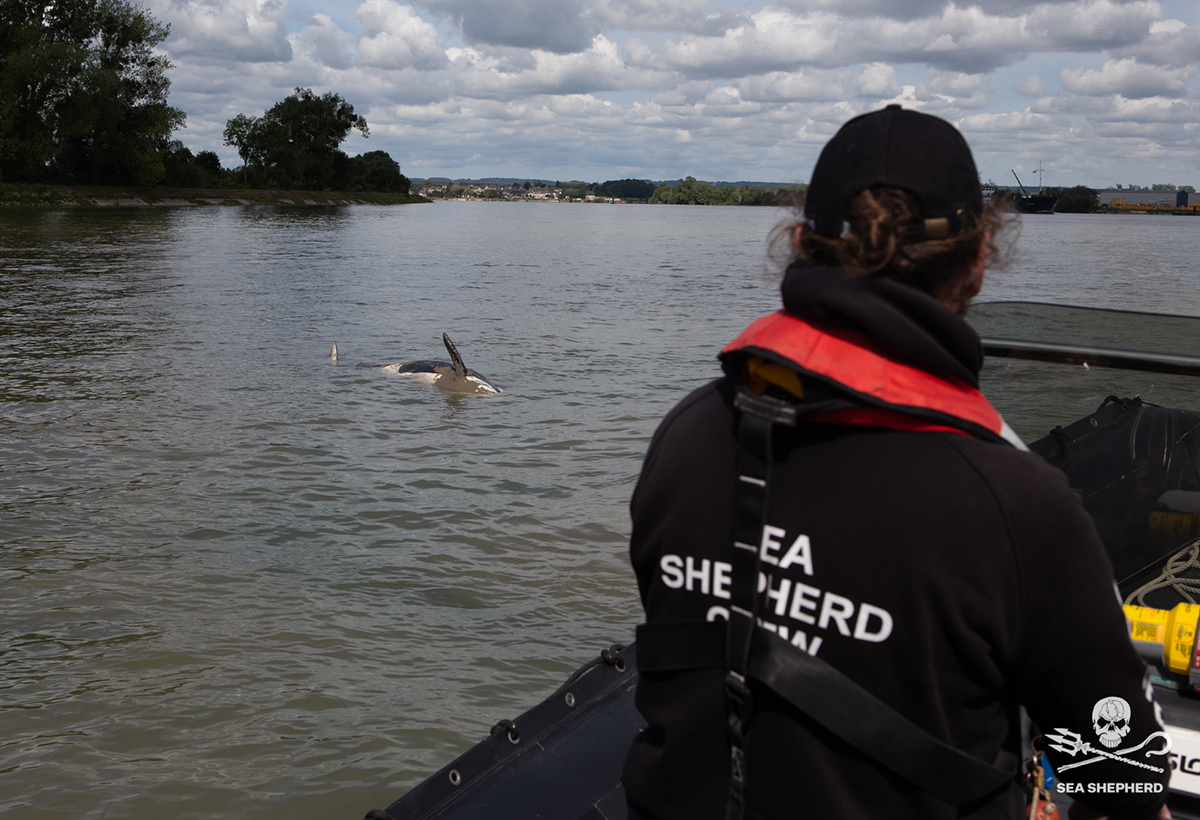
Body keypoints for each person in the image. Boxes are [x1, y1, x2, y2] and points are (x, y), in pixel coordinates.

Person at [621, 105, 1171, 820]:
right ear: (979, 261)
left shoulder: (691, 434)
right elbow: (1120, 788)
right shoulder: (1018, 505)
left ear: (797, 243)